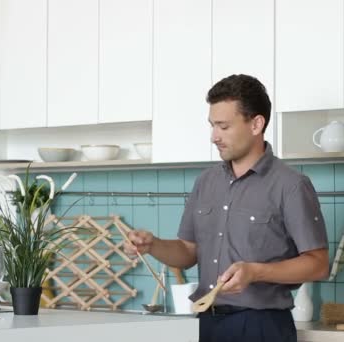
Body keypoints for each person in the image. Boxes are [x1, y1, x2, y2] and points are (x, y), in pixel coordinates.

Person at [125, 74, 329, 342]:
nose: (214, 137)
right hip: (207, 324)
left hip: (262, 326)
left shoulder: (291, 185)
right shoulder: (206, 182)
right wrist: (153, 245)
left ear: (256, 124)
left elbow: (318, 265)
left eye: (223, 126)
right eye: (212, 126)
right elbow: (188, 252)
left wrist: (255, 272)